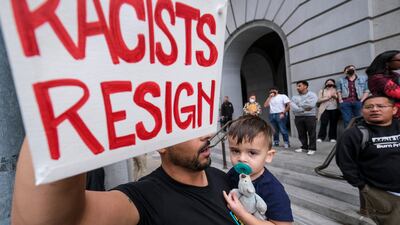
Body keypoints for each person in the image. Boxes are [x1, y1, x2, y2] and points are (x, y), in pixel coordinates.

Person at [11, 135, 236, 225]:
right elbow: (46, 220)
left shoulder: (222, 178)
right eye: (189, 128)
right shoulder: (143, 198)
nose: (205, 135)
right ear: (161, 144)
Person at [336, 95, 400, 225]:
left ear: (394, 110)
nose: (375, 109)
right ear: (362, 111)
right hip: (382, 194)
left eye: (381, 106)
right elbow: (345, 163)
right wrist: (363, 187)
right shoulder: (353, 134)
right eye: (369, 107)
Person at [224, 115, 293, 225]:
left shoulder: (273, 189)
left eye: (252, 153)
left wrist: (242, 214)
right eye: (235, 151)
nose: (241, 158)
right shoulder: (233, 173)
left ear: (268, 156)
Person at [366, 50, 400, 118]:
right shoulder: (378, 78)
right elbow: (398, 93)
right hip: (390, 114)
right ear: (387, 62)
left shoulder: (395, 75)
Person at [290, 80, 318, 155]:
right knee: (301, 133)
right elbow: (293, 107)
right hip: (298, 117)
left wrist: (298, 105)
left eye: (299, 86)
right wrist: (303, 107)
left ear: (305, 86)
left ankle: (312, 148)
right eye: (297, 86)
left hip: (310, 116)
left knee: (311, 133)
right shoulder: (294, 97)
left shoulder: (312, 95)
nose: (297, 88)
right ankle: (304, 147)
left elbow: (311, 105)